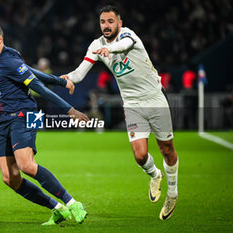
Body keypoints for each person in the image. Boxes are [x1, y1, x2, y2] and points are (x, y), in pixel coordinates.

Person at [61, 6, 179, 220]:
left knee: (167, 149)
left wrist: (111, 50)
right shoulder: (96, 45)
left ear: (119, 23)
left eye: (110, 21)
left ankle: (172, 193)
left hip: (155, 98)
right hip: (132, 104)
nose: (106, 25)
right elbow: (79, 73)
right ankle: (155, 175)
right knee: (140, 155)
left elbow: (124, 44)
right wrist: (65, 78)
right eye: (103, 22)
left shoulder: (128, 35)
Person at [0, 23, 88, 226]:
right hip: (2, 121)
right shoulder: (1, 58)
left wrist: (69, 110)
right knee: (10, 178)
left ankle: (72, 203)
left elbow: (38, 87)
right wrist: (60, 81)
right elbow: (30, 71)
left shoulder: (9, 61)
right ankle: (57, 209)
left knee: (26, 165)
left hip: (25, 114)